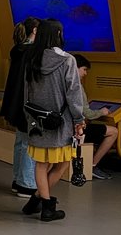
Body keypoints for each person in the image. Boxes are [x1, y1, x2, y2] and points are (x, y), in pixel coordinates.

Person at [19, 18, 86, 221]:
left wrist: (29, 117)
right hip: (61, 122)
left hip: (38, 121)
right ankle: (47, 208)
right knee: (63, 162)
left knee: (41, 164)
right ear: (58, 34)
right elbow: (73, 94)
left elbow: (26, 92)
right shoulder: (67, 60)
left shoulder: (31, 59)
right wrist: (79, 119)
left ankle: (36, 200)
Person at [0, 18, 39, 198]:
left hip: (14, 103)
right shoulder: (32, 52)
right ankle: (26, 184)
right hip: (26, 104)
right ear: (35, 31)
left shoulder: (18, 50)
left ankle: (18, 180)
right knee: (29, 144)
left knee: (20, 142)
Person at [73, 54, 118, 180]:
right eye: (84, 69)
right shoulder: (77, 87)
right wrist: (101, 112)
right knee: (113, 131)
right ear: (75, 68)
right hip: (77, 130)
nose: (85, 73)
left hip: (66, 128)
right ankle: (92, 165)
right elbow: (87, 113)